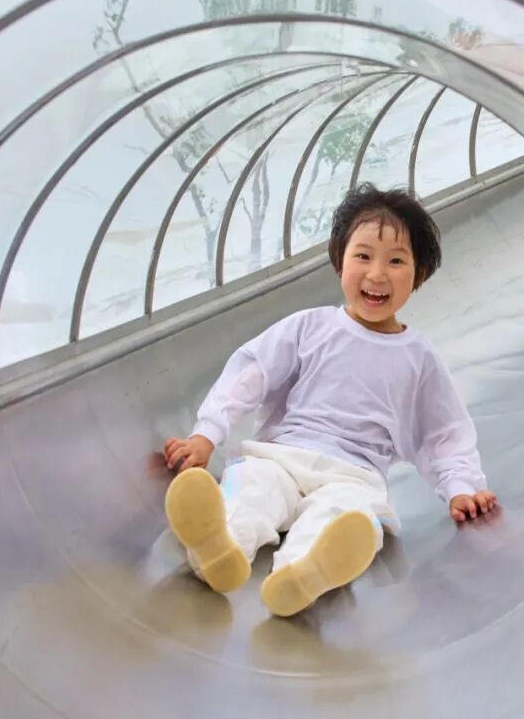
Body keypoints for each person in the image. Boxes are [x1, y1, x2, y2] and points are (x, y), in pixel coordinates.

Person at [162, 183, 497, 617]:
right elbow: (251, 374)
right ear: (339, 259)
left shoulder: (419, 358)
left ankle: (302, 573)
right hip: (282, 456)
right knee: (253, 488)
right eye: (363, 256)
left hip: (354, 475)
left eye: (396, 261)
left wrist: (461, 488)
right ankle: (219, 545)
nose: (377, 274)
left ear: (421, 273)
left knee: (346, 517)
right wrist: (207, 434)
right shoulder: (311, 327)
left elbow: (443, 432)